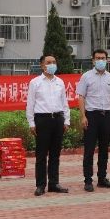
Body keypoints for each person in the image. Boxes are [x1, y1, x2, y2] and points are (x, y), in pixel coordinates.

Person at [26, 54, 71, 196]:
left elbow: (64, 102)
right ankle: (40, 185)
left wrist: (66, 120)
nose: (52, 64)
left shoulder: (60, 82)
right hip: (42, 120)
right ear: (42, 65)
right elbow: (30, 104)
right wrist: (31, 123)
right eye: (48, 62)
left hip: (57, 119)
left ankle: (54, 183)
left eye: (54, 62)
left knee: (55, 154)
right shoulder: (35, 82)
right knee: (41, 155)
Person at [77, 49, 110, 192]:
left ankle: (102, 178)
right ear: (93, 60)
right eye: (98, 58)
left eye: (103, 58)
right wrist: (83, 116)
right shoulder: (86, 77)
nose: (100, 60)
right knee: (89, 149)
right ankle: (88, 180)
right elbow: (81, 97)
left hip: (106, 115)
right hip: (91, 116)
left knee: (104, 149)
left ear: (107, 60)